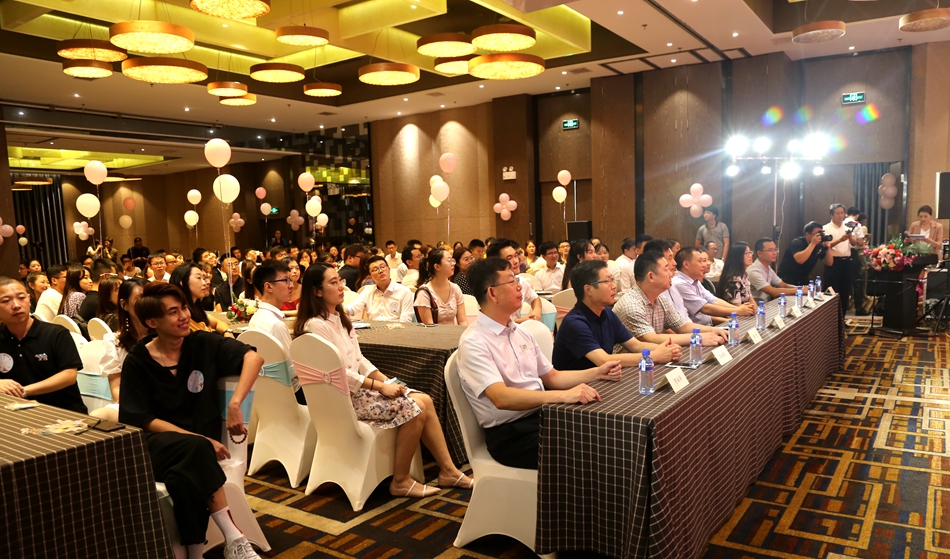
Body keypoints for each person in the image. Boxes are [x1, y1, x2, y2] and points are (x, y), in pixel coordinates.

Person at [294, 263, 473, 497]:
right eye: (334, 283)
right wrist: (379, 386)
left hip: (356, 391)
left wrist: (386, 381)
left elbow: (359, 359)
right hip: (342, 399)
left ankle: (448, 470)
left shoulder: (339, 317)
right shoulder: (316, 325)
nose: (341, 287)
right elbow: (338, 374)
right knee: (415, 407)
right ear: (317, 291)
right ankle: (401, 480)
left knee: (426, 399)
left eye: (340, 281)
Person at [119, 282, 264, 559]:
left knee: (182, 480)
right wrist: (200, 439)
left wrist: (235, 403)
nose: (184, 316)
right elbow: (143, 419)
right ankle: (234, 537)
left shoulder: (202, 343)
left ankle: (195, 555)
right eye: (173, 312)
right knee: (196, 450)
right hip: (157, 446)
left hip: (196, 452)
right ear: (152, 322)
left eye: (184, 308)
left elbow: (253, 357)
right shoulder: (138, 360)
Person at [457, 258, 622, 470]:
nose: (520, 286)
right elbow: (500, 397)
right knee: (594, 448)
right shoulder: (474, 341)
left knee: (608, 429)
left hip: (541, 415)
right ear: (492, 293)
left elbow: (553, 377)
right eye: (512, 281)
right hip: (511, 435)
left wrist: (598, 373)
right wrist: (563, 396)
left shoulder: (520, 331)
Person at [553, 260, 679, 370]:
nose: (614, 286)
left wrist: (665, 349)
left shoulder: (606, 312)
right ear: (588, 290)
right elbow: (603, 360)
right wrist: (654, 356)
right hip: (575, 386)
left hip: (603, 379)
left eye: (612, 280)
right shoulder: (575, 323)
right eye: (607, 281)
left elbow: (635, 345)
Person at [0, 278, 86, 413]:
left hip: (61, 411)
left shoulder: (56, 333)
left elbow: (69, 375)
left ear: (29, 300)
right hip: (13, 411)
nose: (16, 305)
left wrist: (24, 391)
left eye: (21, 298)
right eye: (6, 301)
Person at [614, 251, 728, 347]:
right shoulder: (631, 305)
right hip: (629, 364)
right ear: (651, 276)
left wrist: (714, 330)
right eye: (666, 270)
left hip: (656, 357)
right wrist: (698, 337)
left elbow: (683, 327)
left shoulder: (660, 299)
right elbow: (651, 339)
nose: (671, 274)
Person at [247, 259, 304, 404]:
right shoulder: (275, 324)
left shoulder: (256, 317)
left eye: (290, 280)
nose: (291, 285)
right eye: (285, 280)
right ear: (268, 286)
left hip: (264, 393)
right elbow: (292, 370)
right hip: (289, 395)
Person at [98, 278, 147, 412]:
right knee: (100, 414)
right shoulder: (114, 341)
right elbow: (117, 387)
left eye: (150, 298)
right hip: (132, 404)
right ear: (124, 304)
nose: (146, 304)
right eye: (139, 298)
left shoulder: (165, 336)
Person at [671, 247, 755, 325]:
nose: (704, 265)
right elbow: (704, 308)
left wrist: (739, 309)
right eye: (700, 261)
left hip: (706, 325)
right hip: (695, 330)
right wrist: (737, 310)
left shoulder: (695, 281)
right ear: (686, 264)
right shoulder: (680, 283)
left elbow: (713, 300)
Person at [169, 263, 234, 336]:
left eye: (203, 278)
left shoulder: (196, 308)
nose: (205, 283)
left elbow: (217, 323)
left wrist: (227, 331)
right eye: (198, 278)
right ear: (182, 283)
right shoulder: (180, 316)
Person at [486, 239, 542, 323]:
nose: (516, 261)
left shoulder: (521, 280)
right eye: (509, 258)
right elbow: (492, 321)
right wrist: (520, 321)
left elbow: (535, 298)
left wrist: (536, 312)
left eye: (516, 256)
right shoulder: (490, 286)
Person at [346, 255, 414, 322]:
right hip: (373, 328)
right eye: (375, 269)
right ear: (370, 277)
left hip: (397, 328)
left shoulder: (404, 291)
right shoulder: (367, 291)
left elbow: (406, 320)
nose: (381, 271)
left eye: (383, 267)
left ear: (389, 269)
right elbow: (354, 306)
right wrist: (343, 311)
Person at [414, 249, 468, 326]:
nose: (453, 264)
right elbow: (429, 327)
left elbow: (462, 321)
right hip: (434, 333)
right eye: (449, 260)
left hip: (454, 332)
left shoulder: (455, 288)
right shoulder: (424, 293)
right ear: (437, 266)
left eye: (453, 260)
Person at [643, 239, 689, 322]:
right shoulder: (653, 294)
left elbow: (683, 317)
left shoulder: (671, 284)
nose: (675, 263)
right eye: (670, 258)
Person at [823, 204, 858, 315]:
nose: (840, 215)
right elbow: (826, 245)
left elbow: (854, 244)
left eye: (842, 213)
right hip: (833, 262)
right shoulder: (826, 228)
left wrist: (850, 236)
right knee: (830, 290)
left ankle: (842, 319)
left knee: (845, 291)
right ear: (831, 215)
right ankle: (829, 318)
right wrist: (841, 239)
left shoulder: (847, 227)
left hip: (847, 262)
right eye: (837, 213)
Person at [777, 221, 833, 287]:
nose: (819, 237)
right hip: (787, 278)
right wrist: (813, 244)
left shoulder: (818, 245)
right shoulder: (797, 242)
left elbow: (829, 263)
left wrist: (828, 249)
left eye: (821, 234)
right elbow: (800, 260)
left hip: (802, 278)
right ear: (807, 234)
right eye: (817, 234)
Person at [747, 238, 799, 302]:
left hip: (764, 304)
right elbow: (773, 292)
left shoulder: (768, 267)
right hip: (754, 305)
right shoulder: (753, 270)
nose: (775, 253)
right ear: (759, 253)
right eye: (770, 250)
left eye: (775, 250)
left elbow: (783, 285)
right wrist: (799, 290)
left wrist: (801, 288)